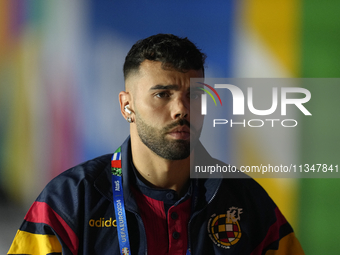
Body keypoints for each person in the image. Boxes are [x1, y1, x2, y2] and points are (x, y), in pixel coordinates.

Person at [8, 34, 304, 255]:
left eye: (194, 95)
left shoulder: (246, 199)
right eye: (163, 94)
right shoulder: (69, 201)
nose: (182, 109)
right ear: (127, 106)